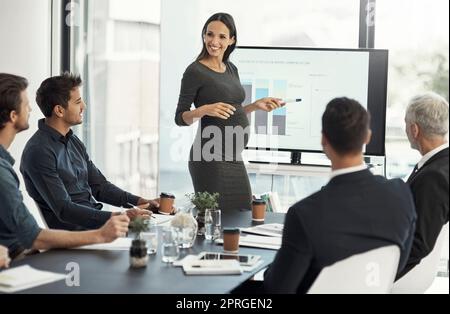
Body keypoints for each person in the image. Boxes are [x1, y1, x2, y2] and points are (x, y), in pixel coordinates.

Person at [262, 97, 416, 294]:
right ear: (367, 137)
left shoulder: (304, 214)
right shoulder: (401, 194)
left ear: (323, 140)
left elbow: (278, 288)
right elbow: (397, 264)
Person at [0, 73, 130, 260]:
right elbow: (32, 235)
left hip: (25, 253)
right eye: (25, 104)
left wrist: (134, 205)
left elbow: (100, 185)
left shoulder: (73, 140)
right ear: (13, 116)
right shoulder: (22, 161)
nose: (30, 108)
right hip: (33, 254)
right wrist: (102, 232)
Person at [174, 13, 284, 211]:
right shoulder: (194, 71)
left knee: (243, 211)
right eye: (210, 34)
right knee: (218, 219)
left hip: (233, 156)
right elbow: (180, 118)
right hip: (209, 156)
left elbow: (232, 109)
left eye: (222, 37)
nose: (214, 41)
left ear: (232, 40)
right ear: (204, 36)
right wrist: (204, 110)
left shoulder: (231, 68)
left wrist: (255, 105)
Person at [20, 73, 156, 231]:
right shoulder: (39, 151)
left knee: (155, 233)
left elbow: (99, 186)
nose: (83, 106)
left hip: (98, 229)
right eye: (78, 102)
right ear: (59, 110)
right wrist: (120, 218)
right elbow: (65, 210)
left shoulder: (73, 141)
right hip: (77, 238)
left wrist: (139, 201)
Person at [396, 92, 449, 279]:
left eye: (405, 124)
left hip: (403, 272)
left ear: (414, 130)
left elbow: (419, 244)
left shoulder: (434, 177)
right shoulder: (439, 165)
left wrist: (378, 275)